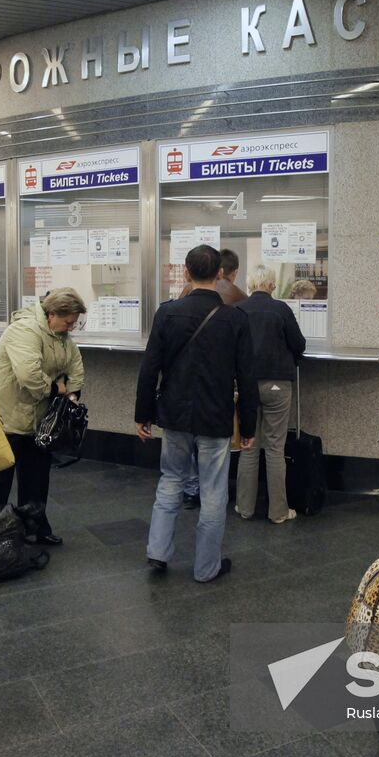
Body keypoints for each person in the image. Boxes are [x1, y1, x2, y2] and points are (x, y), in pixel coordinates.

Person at [135, 244, 258, 582]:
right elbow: (247, 377)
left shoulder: (167, 313)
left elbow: (149, 369)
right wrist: (248, 426)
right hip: (215, 417)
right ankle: (206, 568)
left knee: (171, 479)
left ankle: (157, 552)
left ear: (186, 273)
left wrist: (142, 414)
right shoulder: (235, 318)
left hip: (173, 414)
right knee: (214, 490)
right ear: (220, 274)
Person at [0, 288, 86, 545]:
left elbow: (75, 364)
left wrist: (73, 393)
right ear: (52, 314)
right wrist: (55, 390)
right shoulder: (25, 329)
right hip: (6, 415)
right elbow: (29, 374)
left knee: (37, 477)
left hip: (38, 419)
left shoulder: (61, 336)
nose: (71, 328)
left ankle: (35, 528)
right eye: (68, 321)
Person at [234, 264, 306, 524]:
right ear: (272, 286)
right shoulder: (281, 309)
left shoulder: (238, 310)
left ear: (250, 285)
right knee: (275, 448)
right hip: (277, 384)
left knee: (248, 446)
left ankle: (245, 507)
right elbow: (299, 344)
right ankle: (278, 512)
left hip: (245, 385)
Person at [178, 247, 247, 508]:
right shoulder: (240, 299)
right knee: (214, 442)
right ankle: (211, 491)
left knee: (190, 439)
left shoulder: (186, 294)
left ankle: (192, 488)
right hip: (220, 381)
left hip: (186, 382)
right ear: (231, 272)